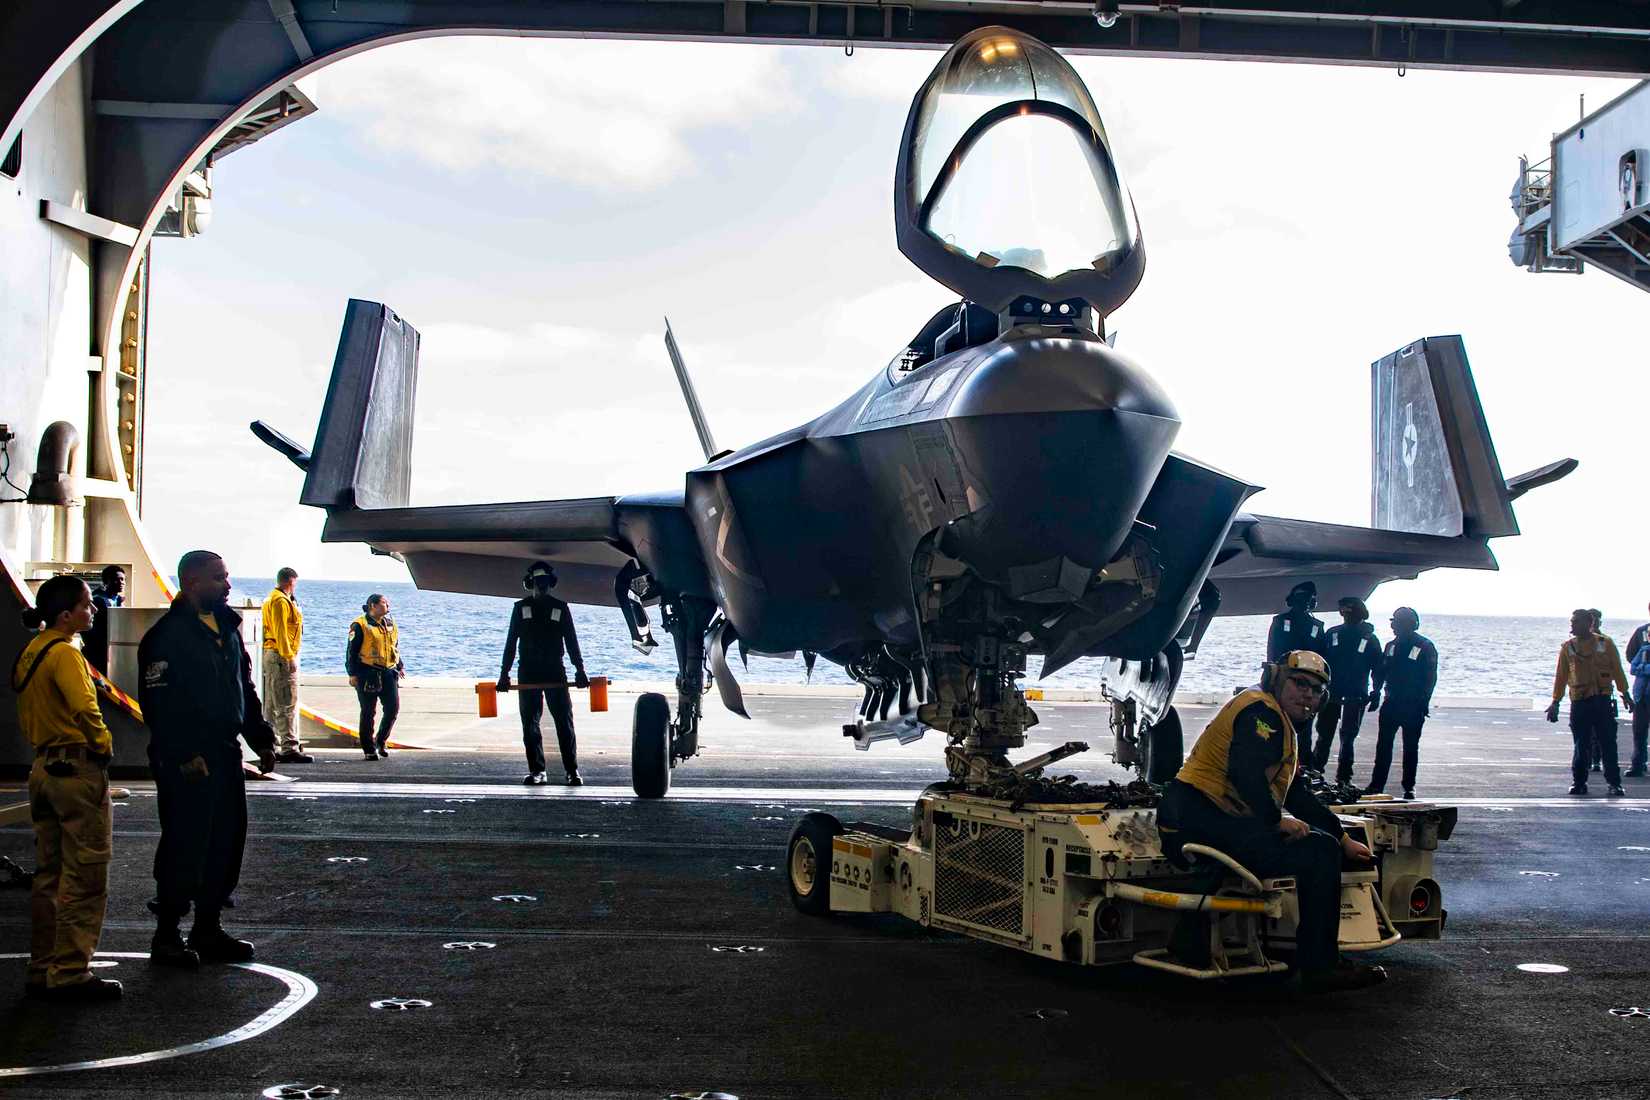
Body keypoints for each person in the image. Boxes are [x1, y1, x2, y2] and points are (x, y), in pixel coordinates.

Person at [1157, 650, 1383, 994]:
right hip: (1198, 822)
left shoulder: (1273, 717)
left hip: (1203, 821)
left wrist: (1342, 837)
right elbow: (1245, 774)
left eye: (1316, 690)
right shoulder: (1263, 714)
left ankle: (1194, 938)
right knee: (1318, 854)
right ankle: (1320, 966)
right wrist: (1276, 821)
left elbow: (1296, 794)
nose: (1307, 694)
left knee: (1324, 842)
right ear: (1278, 679)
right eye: (1299, 683)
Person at [137, 550, 276, 968]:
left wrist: (261, 739)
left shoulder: (227, 630)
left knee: (225, 841)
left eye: (227, 576)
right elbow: (157, 704)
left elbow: (244, 689)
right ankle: (166, 936)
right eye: (219, 578)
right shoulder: (166, 636)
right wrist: (183, 755)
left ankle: (208, 927)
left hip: (224, 751)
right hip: (185, 757)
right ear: (193, 583)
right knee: (184, 843)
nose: (227, 584)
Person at [16, 576, 120, 1000]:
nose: (92, 610)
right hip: (76, 771)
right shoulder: (65, 654)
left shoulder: (32, 651)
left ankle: (42, 965)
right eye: (87, 604)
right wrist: (103, 744)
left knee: (48, 874)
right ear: (66, 615)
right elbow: (85, 707)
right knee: (85, 874)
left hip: (42, 768)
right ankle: (72, 970)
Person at [498, 561, 589, 786]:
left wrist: (580, 670)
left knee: (564, 723)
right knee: (530, 723)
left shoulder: (560, 608)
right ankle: (537, 771)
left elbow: (571, 641)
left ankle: (572, 770)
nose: (541, 586)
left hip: (554, 671)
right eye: (537, 582)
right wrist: (504, 674)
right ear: (531, 584)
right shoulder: (520, 608)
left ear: (550, 584)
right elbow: (511, 643)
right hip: (528, 671)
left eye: (544, 582)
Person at [1546, 608, 1632, 797]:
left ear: (1588, 623)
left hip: (1602, 701)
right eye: (1572, 622)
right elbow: (1561, 677)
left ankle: (1614, 783)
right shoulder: (1568, 647)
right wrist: (1555, 702)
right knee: (1581, 744)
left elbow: (1617, 669)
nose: (1572, 625)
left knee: (1608, 743)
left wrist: (1625, 694)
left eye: (1576, 621)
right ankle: (1579, 782)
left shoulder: (1605, 643)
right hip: (1580, 702)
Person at [1365, 607, 1437, 800]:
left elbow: (1430, 677)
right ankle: (1376, 784)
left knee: (1410, 747)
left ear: (1410, 624)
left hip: (1413, 705)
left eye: (1397, 622)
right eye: (1393, 622)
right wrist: (1376, 691)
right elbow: (1381, 672)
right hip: (1392, 702)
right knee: (1383, 746)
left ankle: (1409, 786)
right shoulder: (1390, 646)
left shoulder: (1424, 646)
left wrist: (1424, 702)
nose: (1393, 626)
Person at [1310, 596, 1382, 784]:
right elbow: (1378, 669)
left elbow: (1377, 668)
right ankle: (1329, 774)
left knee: (1338, 737)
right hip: (1341, 692)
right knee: (1333, 736)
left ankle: (1331, 774)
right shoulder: (1361, 637)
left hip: (1349, 693)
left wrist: (1376, 691)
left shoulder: (1340, 635)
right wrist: (1376, 691)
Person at [1266, 582, 1326, 760]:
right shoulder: (1280, 621)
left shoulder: (1316, 626)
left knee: (1303, 726)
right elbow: (1272, 652)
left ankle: (1302, 765)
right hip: (1286, 680)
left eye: (1307, 600)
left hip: (1305, 682)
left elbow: (1321, 657)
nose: (1305, 604)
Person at [261, 567, 309, 764]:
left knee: (272, 705)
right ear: (290, 581)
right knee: (287, 702)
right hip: (281, 656)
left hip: (272, 655)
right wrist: (289, 656)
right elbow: (281, 631)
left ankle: (269, 745)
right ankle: (289, 747)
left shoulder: (271, 598)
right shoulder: (281, 601)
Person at [348, 593, 404, 760]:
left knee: (393, 709)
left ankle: (381, 740)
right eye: (384, 603)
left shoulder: (390, 623)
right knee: (368, 711)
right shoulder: (360, 625)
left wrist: (400, 665)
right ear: (373, 605)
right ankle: (368, 748)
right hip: (367, 672)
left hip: (388, 672)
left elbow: (393, 646)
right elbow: (351, 651)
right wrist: (352, 673)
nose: (388, 605)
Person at [78, 564, 125, 674]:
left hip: (113, 655)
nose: (121, 582)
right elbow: (85, 628)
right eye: (117, 579)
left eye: (123, 579)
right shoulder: (97, 601)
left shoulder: (119, 602)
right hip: (97, 655)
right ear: (107, 581)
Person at [1628, 604, 1650, 778]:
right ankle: (1638, 763)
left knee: (1640, 729)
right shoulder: (1642, 632)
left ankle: (1638, 764)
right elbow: (1630, 655)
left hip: (1642, 688)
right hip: (1642, 691)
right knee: (1639, 730)